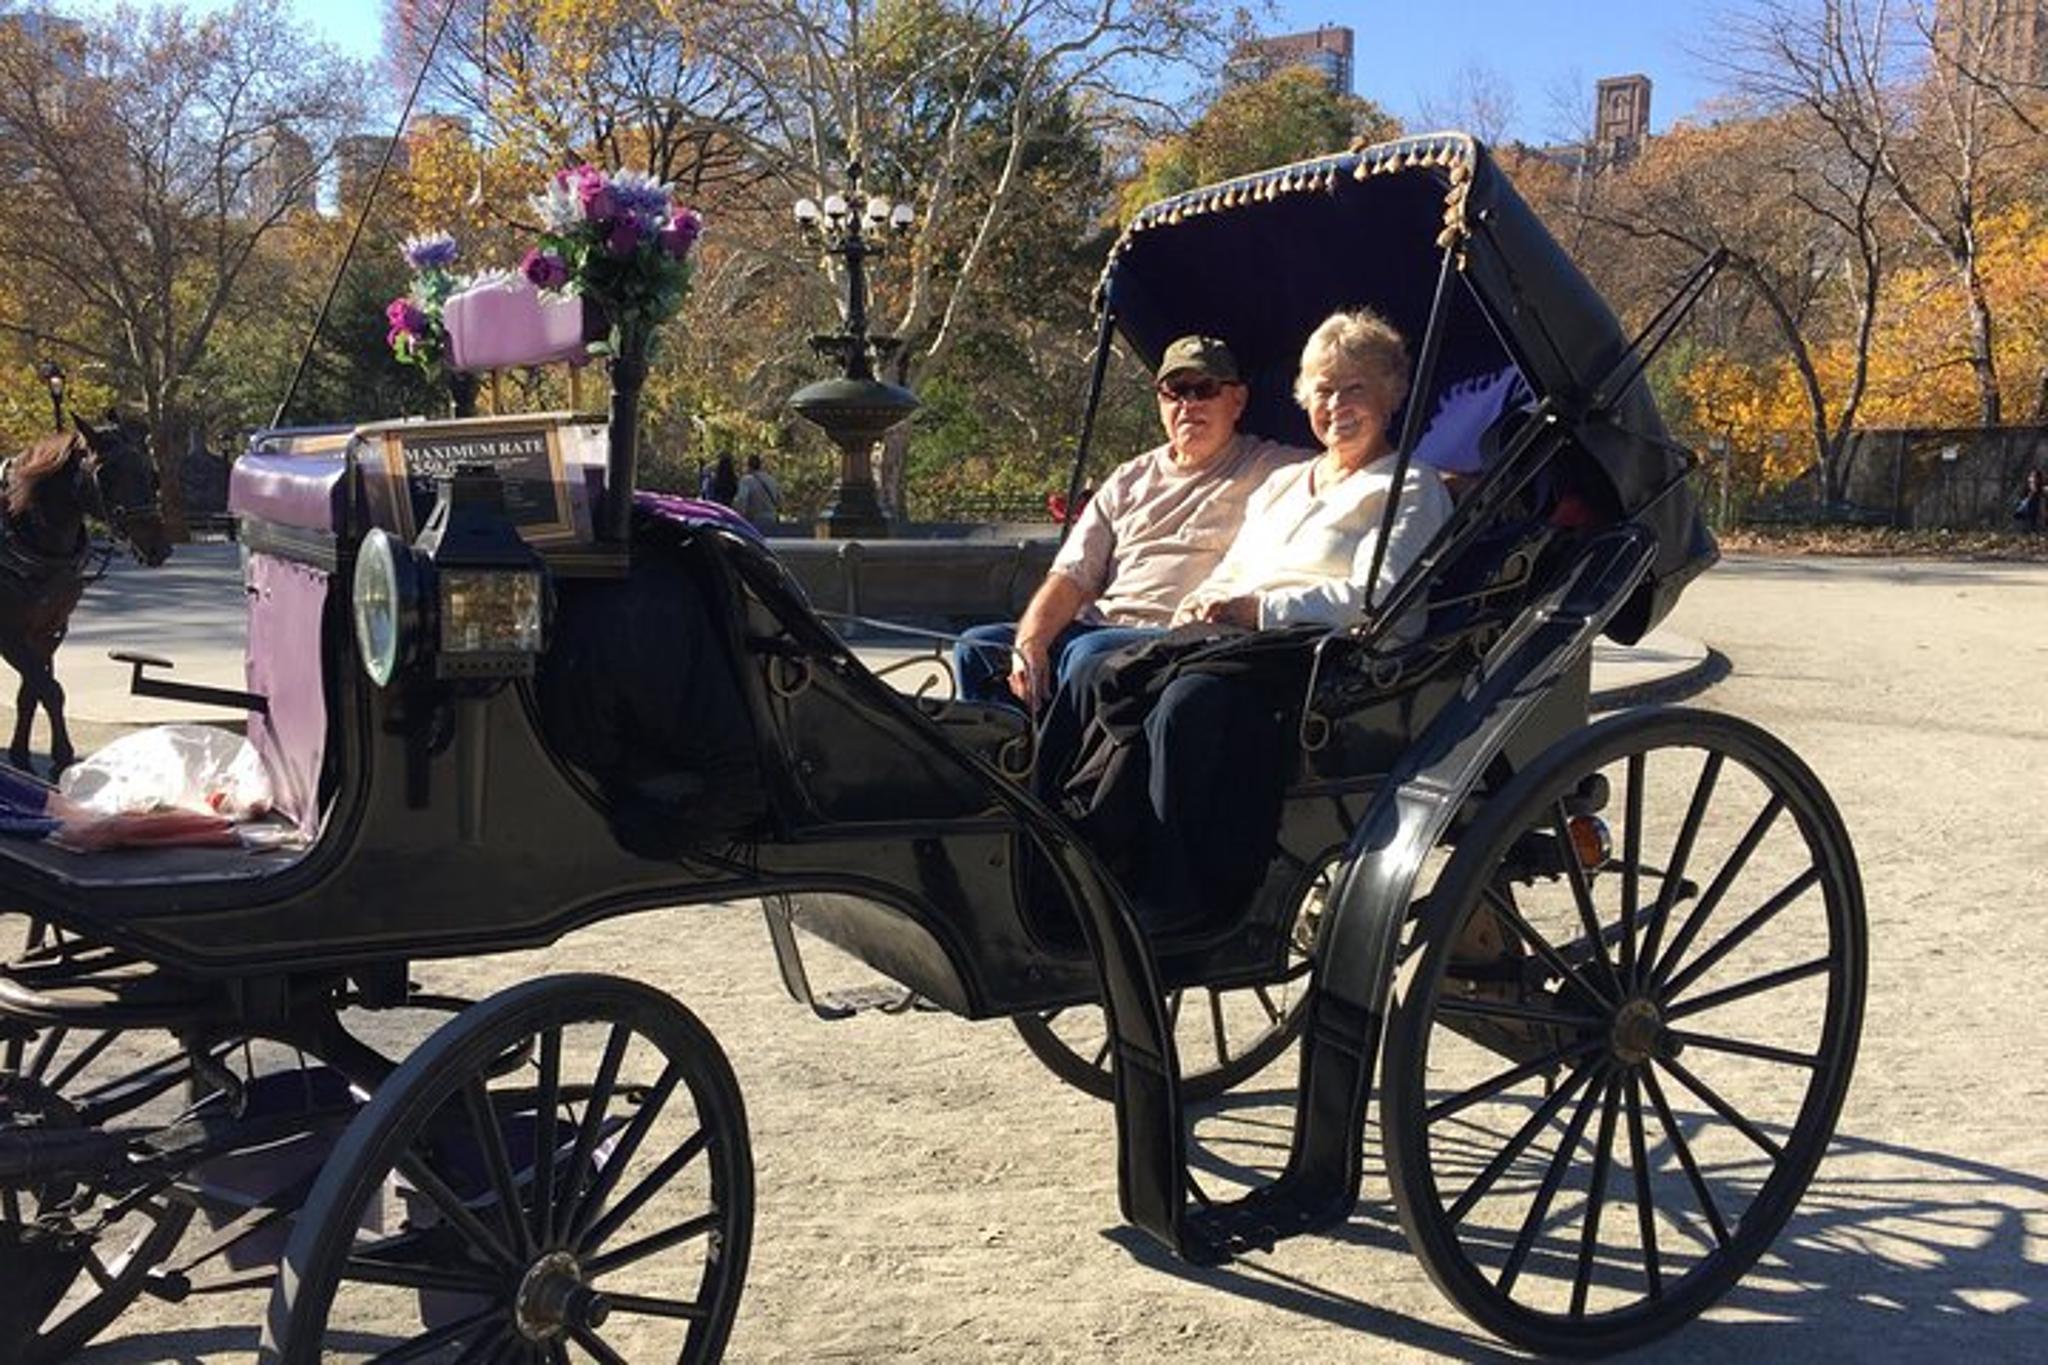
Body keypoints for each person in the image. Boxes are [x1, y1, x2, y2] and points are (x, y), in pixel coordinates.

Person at [1040, 307, 1454, 929]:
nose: (1336, 404)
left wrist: (1256, 610)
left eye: (1354, 388)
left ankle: (1176, 893)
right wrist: (1196, 610)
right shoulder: (1282, 484)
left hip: (1320, 660)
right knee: (1098, 665)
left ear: (1391, 394)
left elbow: (1376, 600)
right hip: (1231, 641)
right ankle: (1066, 847)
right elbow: (1232, 570)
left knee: (1186, 702)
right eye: (1323, 390)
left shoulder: (1409, 488)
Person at [954, 335, 1311, 709]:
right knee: (978, 648)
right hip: (1101, 625)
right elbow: (1071, 576)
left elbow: (1345, 466)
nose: (1188, 404)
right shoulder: (1129, 478)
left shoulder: (1274, 469)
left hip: (1176, 637)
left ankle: (1062, 767)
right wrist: (1031, 644)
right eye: (1176, 390)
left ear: (1237, 401)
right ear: (1160, 401)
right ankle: (1003, 761)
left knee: (1087, 654)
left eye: (1204, 389)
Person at [734, 454, 783, 528]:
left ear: (748, 466)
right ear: (760, 465)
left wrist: (739, 519)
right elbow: (780, 501)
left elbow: (742, 501)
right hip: (771, 520)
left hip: (754, 521)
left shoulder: (746, 480)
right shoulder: (771, 480)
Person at [2013, 468, 2044, 534]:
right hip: (2026, 508)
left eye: (2034, 476)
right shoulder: (2026, 486)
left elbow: (2041, 494)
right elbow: (2022, 496)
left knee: (2033, 521)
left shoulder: (2040, 487)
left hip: (2035, 508)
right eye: (2031, 476)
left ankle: (2033, 531)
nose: (2033, 478)